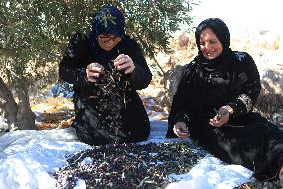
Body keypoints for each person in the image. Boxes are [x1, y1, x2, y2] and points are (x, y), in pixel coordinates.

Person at [166, 18, 283, 182]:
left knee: (273, 135)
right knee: (249, 150)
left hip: (243, 118)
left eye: (212, 41)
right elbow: (181, 104)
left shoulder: (241, 61)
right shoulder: (194, 69)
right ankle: (276, 172)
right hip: (210, 127)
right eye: (202, 43)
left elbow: (251, 91)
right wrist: (180, 122)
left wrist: (229, 109)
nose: (207, 48)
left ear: (224, 39)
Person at [59, 6, 152, 146]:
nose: (111, 42)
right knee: (95, 136)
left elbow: (145, 79)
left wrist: (134, 70)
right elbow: (64, 70)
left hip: (122, 98)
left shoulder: (128, 44)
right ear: (96, 32)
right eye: (105, 38)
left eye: (116, 38)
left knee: (139, 131)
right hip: (90, 98)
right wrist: (84, 74)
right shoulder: (82, 40)